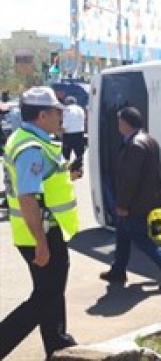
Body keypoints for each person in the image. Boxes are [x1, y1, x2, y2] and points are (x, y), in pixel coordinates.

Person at [0, 87, 82, 359]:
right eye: (57, 113)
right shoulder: (30, 147)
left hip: (43, 231)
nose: (61, 117)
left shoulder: (28, 139)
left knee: (51, 292)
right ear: (42, 115)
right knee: (45, 297)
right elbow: (27, 198)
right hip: (41, 234)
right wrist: (41, 243)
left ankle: (57, 343)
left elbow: (42, 187)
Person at [99, 107, 161, 290]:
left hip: (134, 203)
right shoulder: (148, 140)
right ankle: (118, 270)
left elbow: (130, 179)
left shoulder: (135, 145)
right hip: (145, 199)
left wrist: (122, 204)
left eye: (119, 121)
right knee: (122, 235)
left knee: (140, 237)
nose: (118, 125)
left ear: (125, 123)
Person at [60, 96, 86, 162]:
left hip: (69, 135)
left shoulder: (67, 109)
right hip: (80, 134)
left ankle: (66, 170)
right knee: (80, 155)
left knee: (66, 156)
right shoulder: (81, 109)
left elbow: (65, 124)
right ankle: (79, 169)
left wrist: (60, 132)